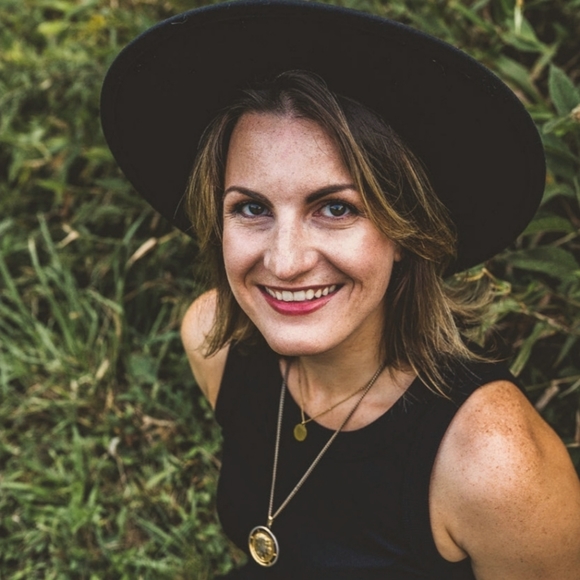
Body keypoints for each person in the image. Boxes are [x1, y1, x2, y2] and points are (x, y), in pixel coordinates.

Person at [100, 1, 580, 578]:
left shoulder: (494, 462)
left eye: (335, 208)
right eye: (251, 208)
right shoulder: (213, 342)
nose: (285, 262)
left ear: (405, 231)